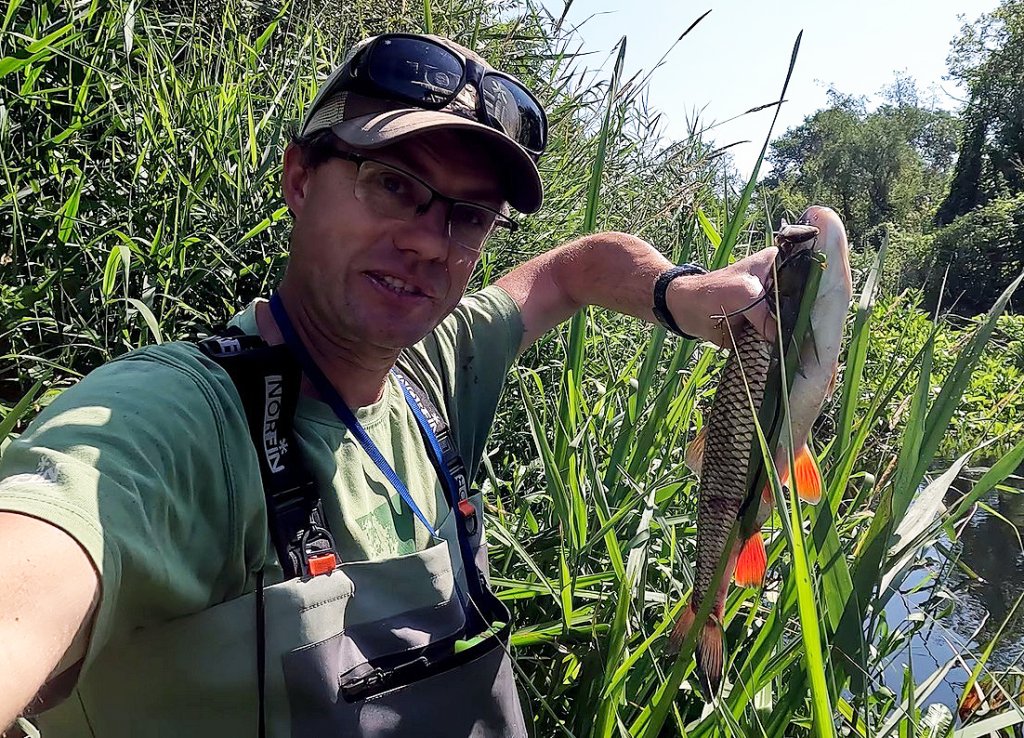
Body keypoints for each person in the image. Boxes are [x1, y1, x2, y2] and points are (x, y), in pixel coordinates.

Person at [0, 33, 780, 737]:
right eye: (394, 184)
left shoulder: (432, 368)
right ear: (300, 177)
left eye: (468, 216)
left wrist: (682, 294)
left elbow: (572, 270)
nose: (429, 243)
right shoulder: (169, 425)